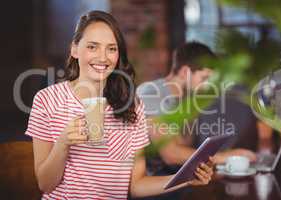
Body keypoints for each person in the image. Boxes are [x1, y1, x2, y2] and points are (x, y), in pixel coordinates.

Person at [25, 11, 214, 200]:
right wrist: (63, 144)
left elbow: (136, 185)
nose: (103, 57)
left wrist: (185, 178)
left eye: (111, 49)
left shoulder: (132, 106)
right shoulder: (46, 100)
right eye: (92, 47)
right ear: (74, 49)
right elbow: (45, 184)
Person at [137, 42, 256, 175]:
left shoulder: (189, 99)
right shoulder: (151, 93)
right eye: (204, 78)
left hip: (178, 174)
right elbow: (170, 154)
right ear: (185, 72)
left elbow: (185, 146)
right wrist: (225, 158)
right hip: (153, 181)